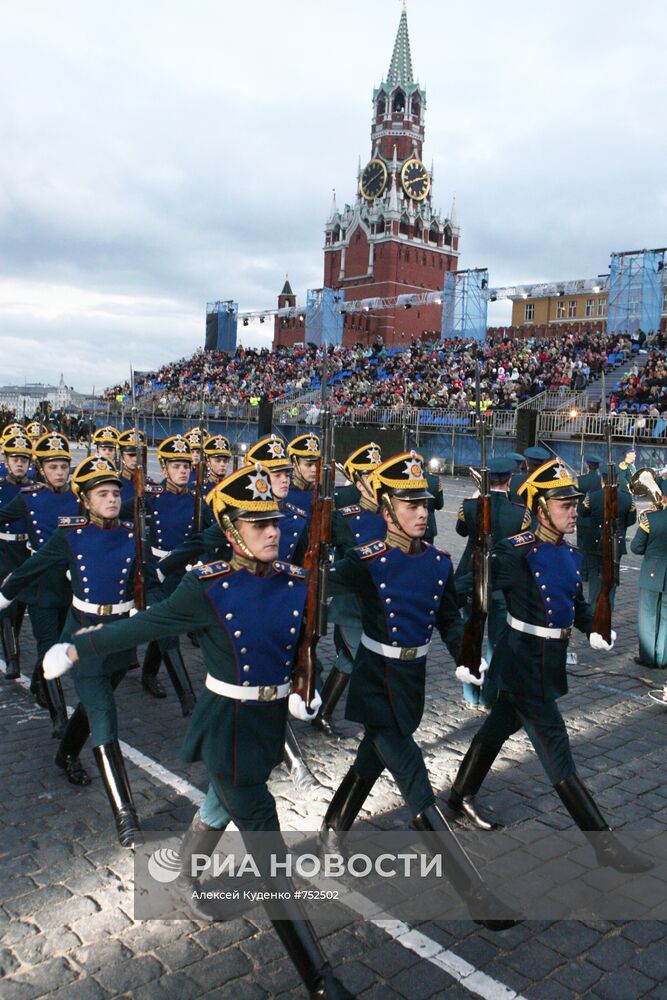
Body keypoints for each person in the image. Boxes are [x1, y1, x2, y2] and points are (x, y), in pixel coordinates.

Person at [44, 465, 352, 1000]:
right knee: (266, 841)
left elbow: (298, 642)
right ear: (231, 531)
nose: (273, 532)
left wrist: (306, 688)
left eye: (274, 523)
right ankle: (321, 979)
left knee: (218, 803)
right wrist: (75, 648)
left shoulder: (295, 582)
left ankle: (183, 876)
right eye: (258, 526)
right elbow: (145, 625)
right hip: (226, 727)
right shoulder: (206, 587)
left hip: (266, 723)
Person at [321, 451, 516, 931]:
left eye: (425, 504)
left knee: (370, 760)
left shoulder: (438, 562)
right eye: (410, 506)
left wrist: (468, 655)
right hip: (375, 682)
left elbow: (448, 617)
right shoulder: (364, 562)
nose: (422, 513)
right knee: (416, 782)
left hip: (412, 683)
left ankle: (330, 831)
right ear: (386, 511)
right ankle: (475, 893)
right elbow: (311, 587)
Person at [447, 459, 651, 874]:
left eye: (574, 504)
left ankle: (459, 794)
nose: (573, 511)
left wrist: (594, 626)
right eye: (564, 505)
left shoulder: (570, 554)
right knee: (557, 749)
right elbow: (465, 590)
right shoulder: (515, 552)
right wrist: (465, 640)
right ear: (540, 509)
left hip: (548, 661)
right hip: (523, 664)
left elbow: (573, 606)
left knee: (498, 725)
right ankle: (604, 844)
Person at [1, 457, 145, 843]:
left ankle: (66, 754)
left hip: (120, 636)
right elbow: (35, 565)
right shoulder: (71, 535)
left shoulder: (133, 533)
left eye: (116, 493)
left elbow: (141, 581)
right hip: (82, 635)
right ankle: (125, 814)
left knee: (92, 704)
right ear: (84, 499)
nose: (112, 499)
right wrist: (4, 595)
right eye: (103, 494)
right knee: (103, 714)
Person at [0, 431, 77, 734]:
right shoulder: (29, 498)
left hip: (69, 584)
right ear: (41, 469)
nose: (59, 473)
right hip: (41, 583)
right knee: (49, 647)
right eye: (53, 467)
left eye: (63, 466)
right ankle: (60, 718)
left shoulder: (79, 497)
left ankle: (36, 682)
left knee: (60, 640)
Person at [454, 456, 532, 709]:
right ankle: (490, 695)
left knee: (471, 635)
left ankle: (470, 693)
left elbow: (461, 531)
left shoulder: (468, 506)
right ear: (510, 480)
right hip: (501, 584)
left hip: (471, 576)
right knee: (497, 642)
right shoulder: (521, 514)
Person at [138, 434, 209, 714]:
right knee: (167, 630)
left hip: (183, 573)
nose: (182, 471)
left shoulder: (196, 501)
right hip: (156, 573)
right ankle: (187, 696)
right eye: (175, 466)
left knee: (168, 626)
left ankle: (148, 673)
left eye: (185, 466)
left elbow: (206, 536)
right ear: (164, 469)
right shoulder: (150, 498)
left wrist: (202, 561)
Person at [317, 442, 385, 737]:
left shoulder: (390, 512)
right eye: (370, 475)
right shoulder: (343, 517)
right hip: (350, 603)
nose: (377, 480)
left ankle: (322, 713)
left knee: (347, 660)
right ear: (357, 481)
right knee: (365, 659)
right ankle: (377, 722)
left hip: (379, 600)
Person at [0, 432, 33, 677]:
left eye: (24, 459)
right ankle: (13, 657)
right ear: (6, 461)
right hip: (3, 549)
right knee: (8, 605)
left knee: (20, 604)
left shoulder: (35, 491)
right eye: (15, 459)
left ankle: (10, 643)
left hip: (26, 551)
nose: (19, 463)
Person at [580, 472, 636, 611]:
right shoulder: (628, 499)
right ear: (617, 479)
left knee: (594, 585)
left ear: (602, 480)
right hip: (616, 544)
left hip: (595, 543)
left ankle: (593, 618)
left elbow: (582, 511)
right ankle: (607, 618)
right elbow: (631, 520)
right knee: (611, 584)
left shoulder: (592, 496)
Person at [630, 485, 667, 668]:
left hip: (652, 573)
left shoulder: (650, 519)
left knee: (648, 615)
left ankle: (648, 657)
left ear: (664, 498)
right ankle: (663, 658)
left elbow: (635, 548)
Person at [575, 453, 603, 587]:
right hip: (596, 518)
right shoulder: (600, 481)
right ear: (598, 467)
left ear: (588, 465)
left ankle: (583, 573)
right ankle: (593, 571)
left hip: (582, 518)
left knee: (581, 547)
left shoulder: (581, 480)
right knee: (593, 546)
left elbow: (573, 491)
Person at [286, 432, 320, 512]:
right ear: (295, 465)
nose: (314, 469)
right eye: (308, 465)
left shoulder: (321, 493)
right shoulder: (285, 495)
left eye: (316, 464)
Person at [116, 429, 147, 503]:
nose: (136, 459)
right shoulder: (115, 484)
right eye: (131, 455)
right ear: (122, 456)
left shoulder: (149, 484)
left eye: (139, 455)